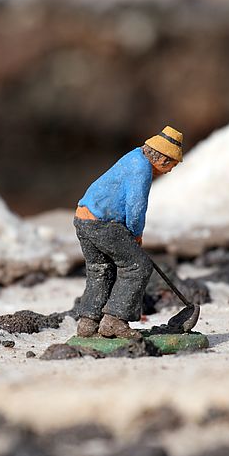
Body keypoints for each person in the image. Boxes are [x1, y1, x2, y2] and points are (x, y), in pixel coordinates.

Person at [74, 126, 183, 338]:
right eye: (172, 165)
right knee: (137, 266)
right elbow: (136, 207)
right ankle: (114, 320)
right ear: (163, 159)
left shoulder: (135, 156)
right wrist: (135, 234)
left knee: (101, 268)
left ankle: (88, 323)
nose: (170, 170)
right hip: (102, 223)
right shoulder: (141, 169)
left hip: (83, 218)